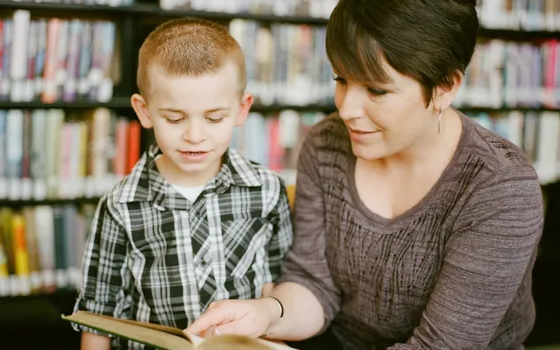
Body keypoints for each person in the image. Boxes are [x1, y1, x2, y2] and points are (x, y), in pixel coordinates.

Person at [185, 0, 545, 349]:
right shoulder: (326, 145)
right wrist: (266, 313)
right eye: (341, 79)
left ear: (445, 87)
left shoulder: (499, 188)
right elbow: (314, 284)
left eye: (376, 90)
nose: (346, 108)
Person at [73, 17, 294, 350]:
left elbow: (280, 283)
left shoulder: (266, 190)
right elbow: (97, 313)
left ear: (241, 109)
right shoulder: (120, 205)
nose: (194, 136)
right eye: (175, 119)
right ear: (144, 111)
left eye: (214, 118)